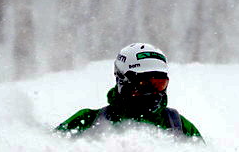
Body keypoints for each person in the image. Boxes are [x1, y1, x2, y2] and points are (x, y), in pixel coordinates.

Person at [56, 42, 203, 140]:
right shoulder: (88, 122)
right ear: (122, 81)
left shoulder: (178, 126)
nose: (153, 93)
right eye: (143, 84)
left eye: (159, 84)